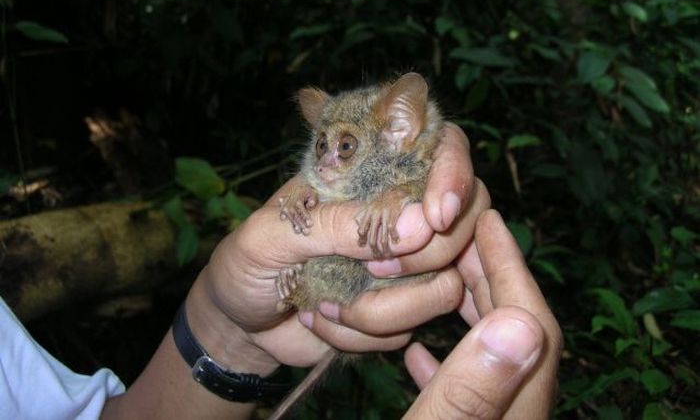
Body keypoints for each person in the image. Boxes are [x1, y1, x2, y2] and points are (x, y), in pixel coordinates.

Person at [0, 124, 561, 419]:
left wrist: (230, 331)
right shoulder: (328, 174)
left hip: (363, 280)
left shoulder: (401, 158)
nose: (327, 157)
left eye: (345, 145)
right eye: (322, 144)